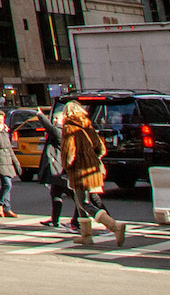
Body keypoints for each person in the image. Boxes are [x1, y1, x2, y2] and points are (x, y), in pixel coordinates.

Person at [61, 100, 126, 248]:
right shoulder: (87, 125)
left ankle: (114, 226)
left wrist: (66, 167)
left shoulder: (69, 128)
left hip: (79, 170)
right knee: (80, 202)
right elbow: (101, 149)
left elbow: (69, 153)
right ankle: (86, 235)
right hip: (92, 168)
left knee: (84, 202)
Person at [36, 106, 77, 228]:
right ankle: (55, 220)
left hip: (61, 169)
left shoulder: (61, 131)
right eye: (53, 118)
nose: (54, 120)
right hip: (56, 168)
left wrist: (40, 116)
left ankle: (77, 221)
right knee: (55, 194)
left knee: (76, 196)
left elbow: (51, 130)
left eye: (57, 118)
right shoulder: (58, 130)